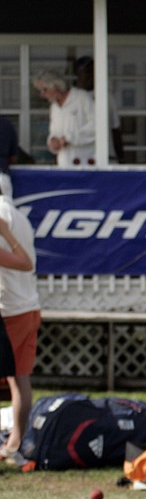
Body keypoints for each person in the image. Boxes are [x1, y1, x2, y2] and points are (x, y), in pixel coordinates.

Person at [0, 180, 39, 467]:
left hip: (8, 308)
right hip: (29, 305)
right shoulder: (21, 217)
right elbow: (27, 263)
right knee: (20, 378)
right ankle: (17, 442)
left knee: (16, 378)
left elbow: (23, 264)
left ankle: (14, 443)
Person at [32, 69, 96, 167]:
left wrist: (68, 138)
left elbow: (96, 126)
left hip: (86, 161)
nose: (42, 94)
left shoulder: (82, 98)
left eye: (44, 90)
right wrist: (52, 140)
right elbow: (54, 131)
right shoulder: (54, 107)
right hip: (64, 162)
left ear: (55, 86)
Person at [73, 56, 125, 163]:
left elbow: (115, 128)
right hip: (79, 160)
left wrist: (121, 157)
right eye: (87, 72)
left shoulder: (106, 96)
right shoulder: (71, 99)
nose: (92, 76)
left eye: (94, 71)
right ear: (77, 74)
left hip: (106, 158)